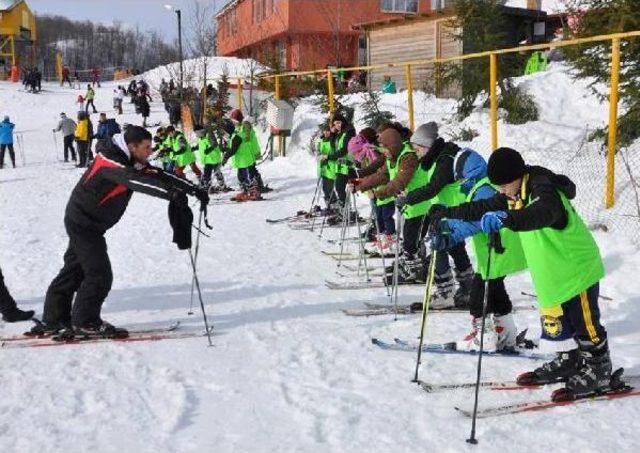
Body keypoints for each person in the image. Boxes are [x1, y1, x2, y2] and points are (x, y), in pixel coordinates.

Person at [430, 147, 614, 398]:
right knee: (560, 318)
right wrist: (448, 213)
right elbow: (482, 206)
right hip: (554, 269)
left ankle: (598, 367)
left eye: (503, 185)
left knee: (585, 321)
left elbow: (542, 213)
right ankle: (569, 359)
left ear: (517, 175)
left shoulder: (542, 189)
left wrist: (507, 219)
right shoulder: (515, 191)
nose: (501, 191)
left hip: (576, 267)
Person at [35, 126, 209, 337]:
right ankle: (85, 320)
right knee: (99, 275)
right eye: (146, 147)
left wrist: (192, 189)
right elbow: (134, 180)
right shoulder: (109, 160)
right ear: (132, 146)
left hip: (91, 223)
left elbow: (156, 174)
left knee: (74, 269)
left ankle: (54, 319)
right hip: (83, 223)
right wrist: (171, 195)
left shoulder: (131, 160)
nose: (150, 151)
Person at [429, 149, 525, 351]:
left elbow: (477, 221)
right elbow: (469, 212)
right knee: (496, 291)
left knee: (478, 294)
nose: (460, 182)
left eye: (461, 177)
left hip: (497, 249)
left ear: (470, 172)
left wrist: (451, 235)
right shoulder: (482, 186)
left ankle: (485, 336)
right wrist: (448, 224)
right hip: (496, 251)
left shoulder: (484, 189)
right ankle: (507, 332)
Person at [399, 122, 474, 308]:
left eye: (417, 149)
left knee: (438, 246)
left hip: (452, 209)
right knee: (455, 247)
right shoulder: (438, 156)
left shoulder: (445, 158)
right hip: (448, 209)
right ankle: (469, 288)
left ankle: (445, 292)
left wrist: (409, 198)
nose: (416, 154)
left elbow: (434, 187)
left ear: (426, 146)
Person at [349, 128, 430, 281]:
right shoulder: (393, 157)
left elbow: (400, 182)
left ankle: (414, 269)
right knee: (409, 240)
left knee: (412, 241)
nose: (383, 152)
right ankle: (411, 266)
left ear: (392, 146)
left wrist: (378, 194)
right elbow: (382, 176)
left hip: (421, 205)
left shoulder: (408, 157)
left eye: (385, 148)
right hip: (410, 205)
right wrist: (359, 185)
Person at [326, 113, 355, 222]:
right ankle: (345, 210)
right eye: (335, 124)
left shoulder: (349, 132)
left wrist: (329, 157)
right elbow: (334, 147)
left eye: (338, 122)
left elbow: (344, 150)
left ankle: (347, 211)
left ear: (343, 121)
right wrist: (333, 134)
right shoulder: (340, 133)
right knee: (339, 188)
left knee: (341, 188)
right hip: (341, 166)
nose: (337, 125)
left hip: (348, 166)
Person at [195, 127, 228, 192]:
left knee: (215, 172)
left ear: (201, 132)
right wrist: (194, 148)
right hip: (208, 159)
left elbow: (215, 144)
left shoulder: (209, 136)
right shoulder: (201, 138)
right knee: (209, 173)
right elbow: (200, 145)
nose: (196, 135)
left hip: (213, 158)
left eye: (197, 133)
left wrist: (209, 149)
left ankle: (220, 185)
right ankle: (209, 185)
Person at [316, 123, 338, 212]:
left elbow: (336, 153)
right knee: (325, 189)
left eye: (328, 131)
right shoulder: (321, 141)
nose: (326, 133)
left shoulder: (333, 140)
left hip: (331, 168)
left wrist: (327, 156)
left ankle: (335, 207)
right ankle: (329, 206)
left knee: (330, 189)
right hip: (323, 168)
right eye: (325, 131)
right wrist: (319, 156)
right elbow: (317, 153)